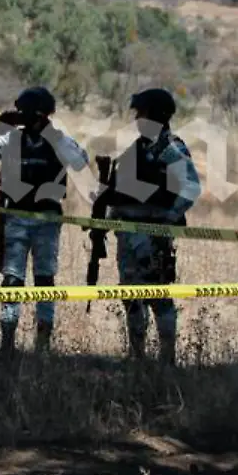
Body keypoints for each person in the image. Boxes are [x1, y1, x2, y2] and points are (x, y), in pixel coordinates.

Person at [0, 86, 89, 356]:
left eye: (24, 113)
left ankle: (43, 343)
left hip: (47, 220)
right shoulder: (11, 139)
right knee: (12, 281)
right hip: (16, 218)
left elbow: (81, 161)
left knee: (45, 280)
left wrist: (52, 135)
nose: (20, 117)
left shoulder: (59, 141)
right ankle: (7, 342)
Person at [94, 87, 201, 366]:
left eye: (142, 112)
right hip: (127, 235)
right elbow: (120, 189)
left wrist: (166, 220)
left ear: (157, 114)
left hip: (153, 236)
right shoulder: (137, 148)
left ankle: (167, 360)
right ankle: (137, 356)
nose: (137, 117)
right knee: (129, 296)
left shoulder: (170, 149)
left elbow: (190, 188)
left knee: (158, 296)